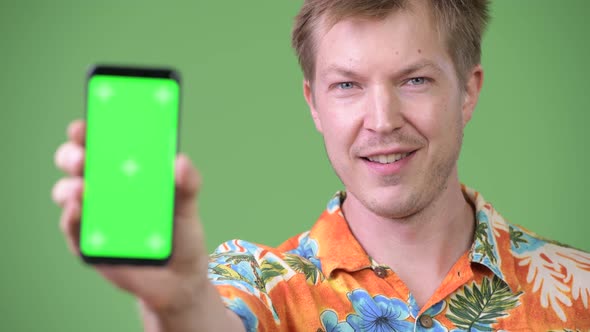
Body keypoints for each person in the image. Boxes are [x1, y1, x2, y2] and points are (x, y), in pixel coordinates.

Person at [52, 0, 590, 331]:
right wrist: (181, 302)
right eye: (347, 85)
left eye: (414, 80)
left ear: (468, 92)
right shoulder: (257, 286)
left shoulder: (580, 290)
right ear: (314, 102)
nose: (382, 120)